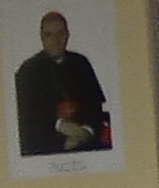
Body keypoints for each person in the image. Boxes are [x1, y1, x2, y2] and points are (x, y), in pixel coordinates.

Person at [12, 11, 111, 158]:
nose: (56, 40)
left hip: (85, 142)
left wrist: (86, 132)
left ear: (67, 35)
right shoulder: (28, 70)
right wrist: (60, 126)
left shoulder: (81, 63)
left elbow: (95, 107)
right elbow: (26, 117)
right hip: (45, 146)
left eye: (60, 33)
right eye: (49, 35)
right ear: (42, 38)